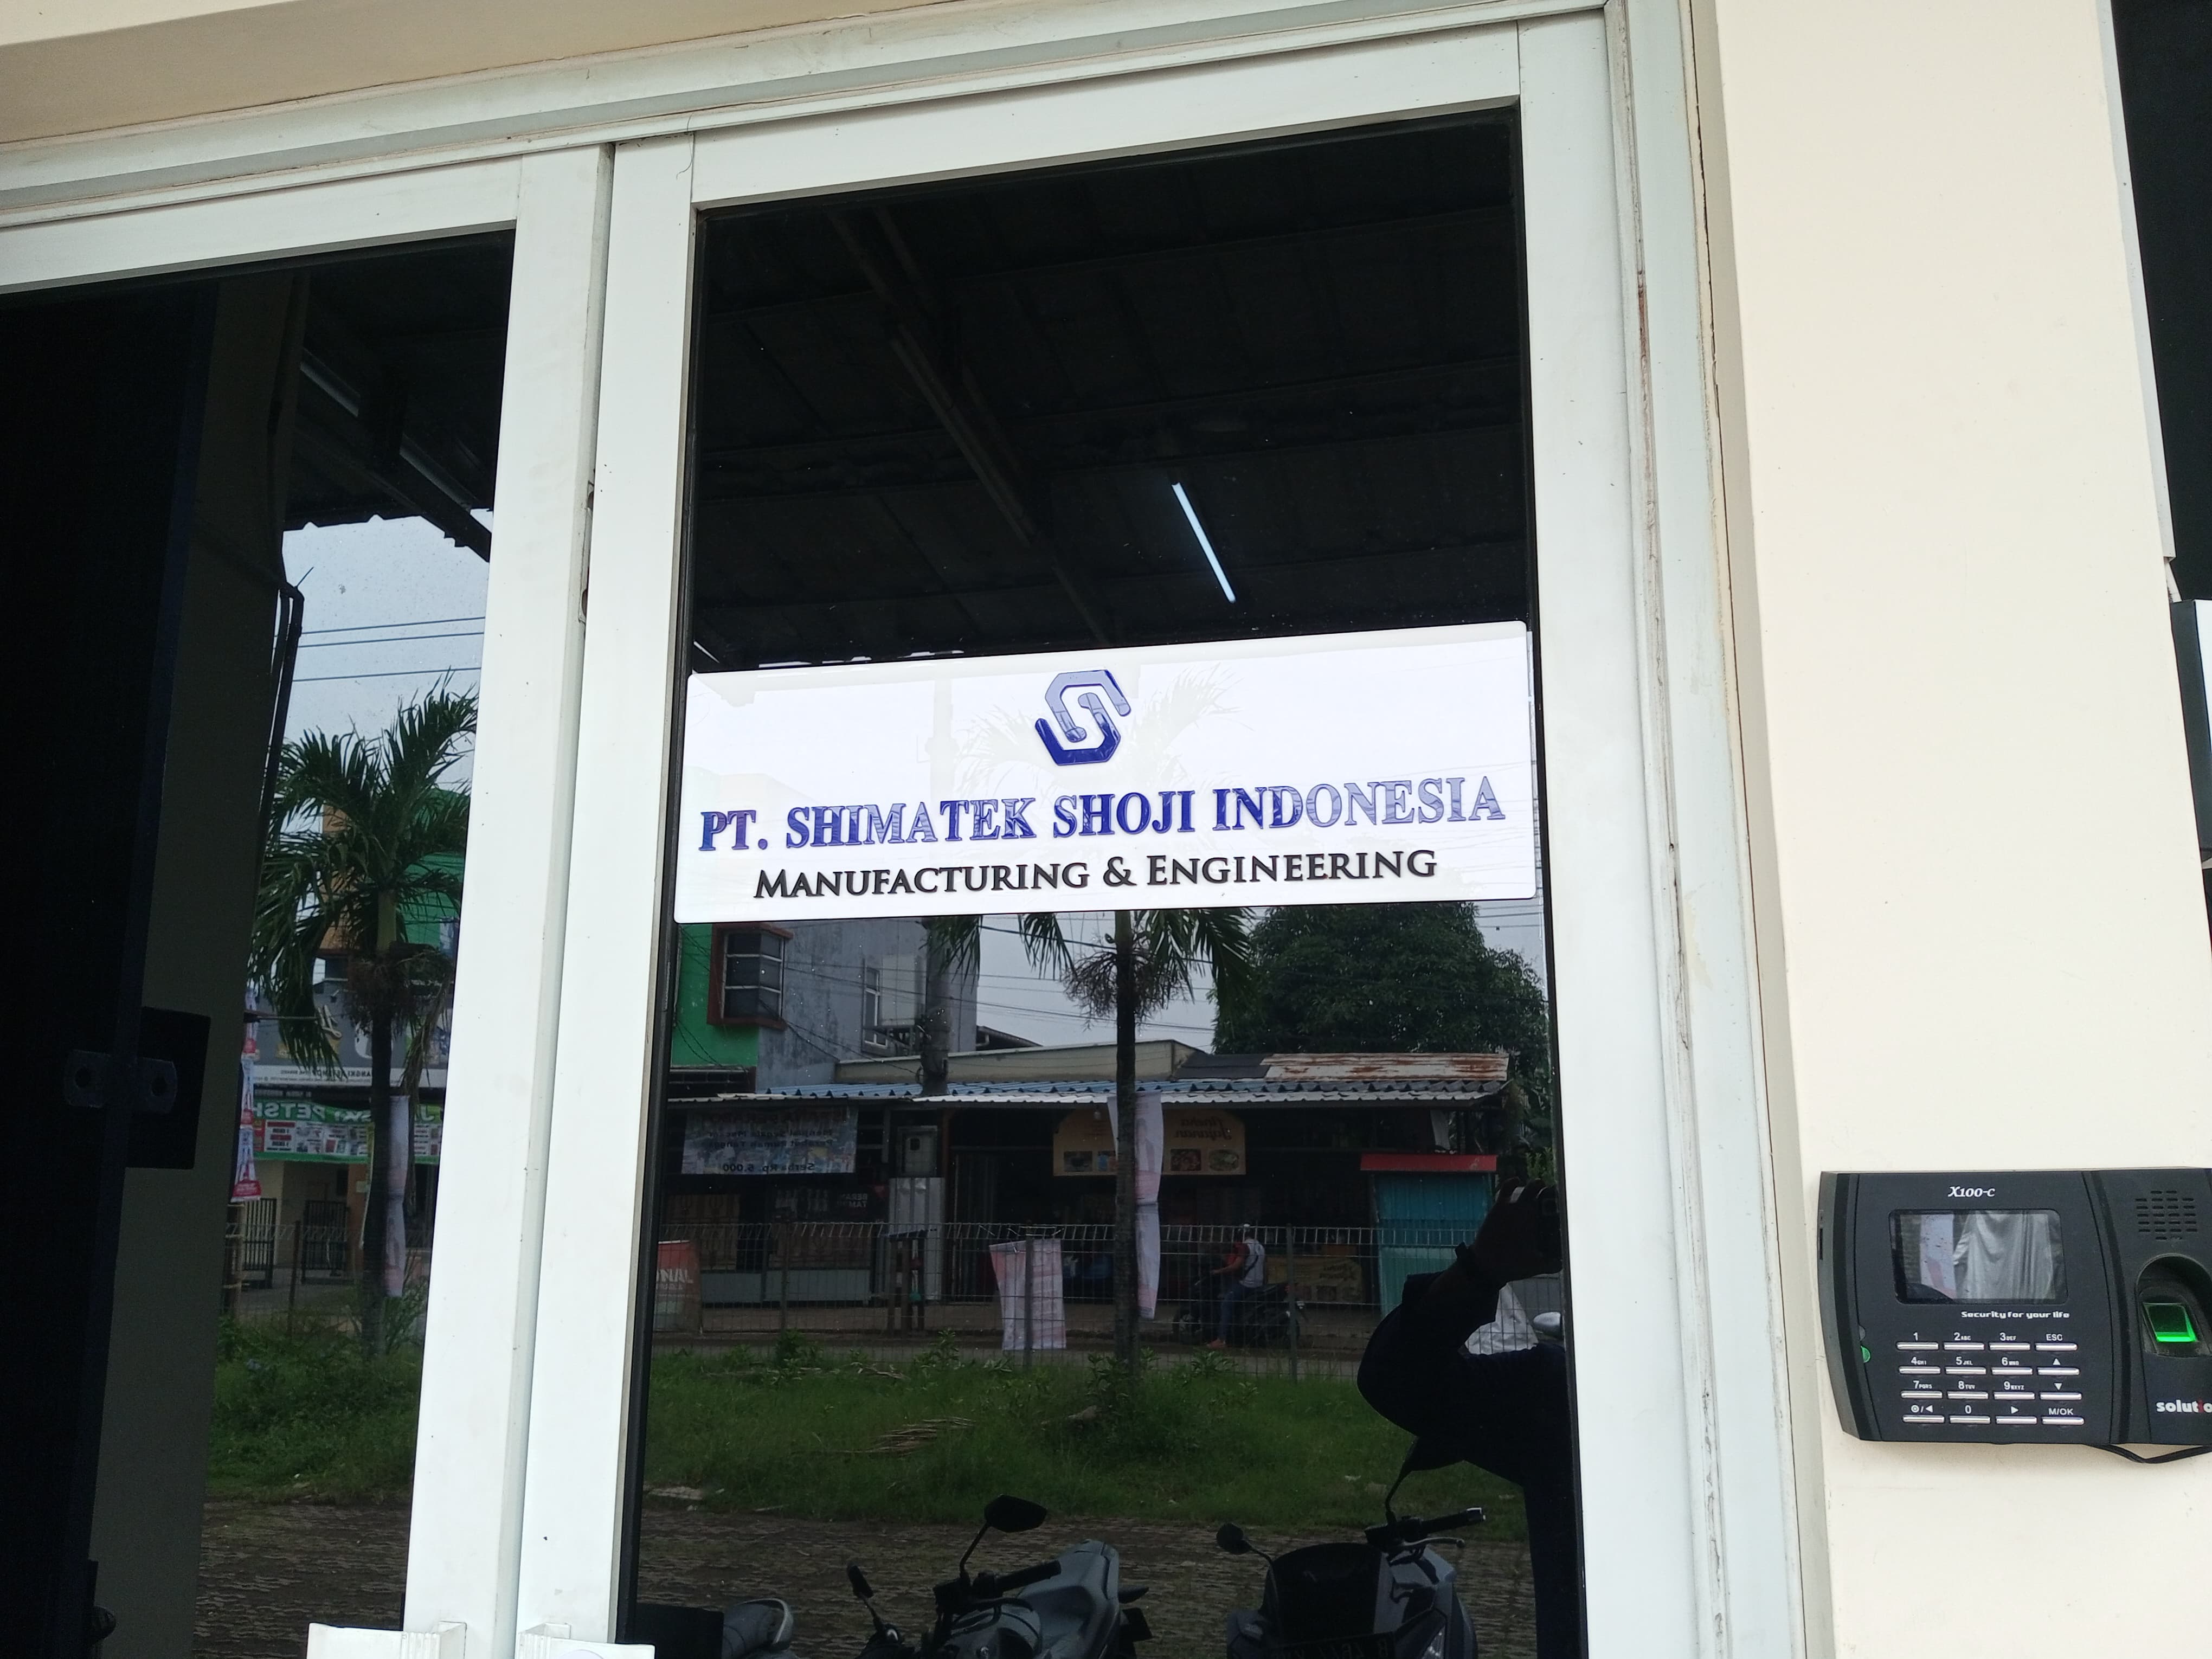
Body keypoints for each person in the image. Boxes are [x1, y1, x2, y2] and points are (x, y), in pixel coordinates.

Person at [1356, 1181, 1580, 1659]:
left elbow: (1396, 1382)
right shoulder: (1564, 1396)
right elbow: (1396, 1379)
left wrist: (1482, 1269)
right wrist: (1481, 1272)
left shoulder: (1562, 1399)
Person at [1207, 1223, 1266, 1349]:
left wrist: (1218, 1271)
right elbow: (1265, 1268)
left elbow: (1235, 1267)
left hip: (1246, 1284)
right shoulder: (1260, 1246)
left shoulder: (1245, 1247)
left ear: (1241, 1234)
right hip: (1258, 1284)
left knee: (1226, 1305)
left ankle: (1221, 1340)